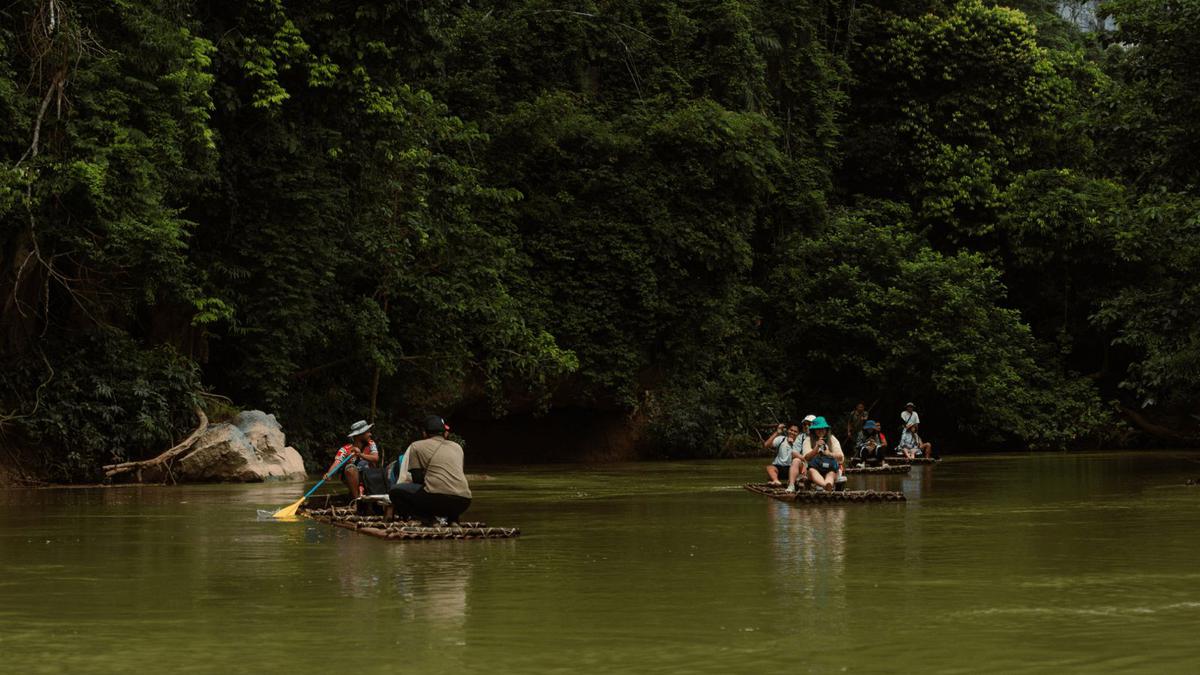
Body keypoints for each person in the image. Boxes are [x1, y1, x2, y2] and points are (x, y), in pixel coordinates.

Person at [388, 414, 472, 524]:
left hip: (436, 500)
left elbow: (417, 479)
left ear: (424, 432)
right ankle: (453, 520)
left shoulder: (416, 446)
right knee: (446, 491)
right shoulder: (457, 447)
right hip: (464, 502)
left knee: (395, 491)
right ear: (444, 432)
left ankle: (426, 518)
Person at [326, 419, 380, 497]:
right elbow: (337, 463)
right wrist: (329, 474)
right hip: (353, 478)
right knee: (350, 468)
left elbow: (375, 458)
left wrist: (360, 454)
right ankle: (356, 499)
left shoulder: (371, 444)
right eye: (367, 432)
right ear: (360, 435)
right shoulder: (345, 449)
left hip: (368, 477)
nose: (370, 434)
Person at [801, 416, 843, 491]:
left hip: (830, 468)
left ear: (826, 429)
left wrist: (829, 453)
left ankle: (827, 485)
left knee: (831, 473)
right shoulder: (808, 440)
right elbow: (806, 458)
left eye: (823, 428)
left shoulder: (832, 439)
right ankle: (825, 485)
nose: (821, 430)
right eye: (818, 429)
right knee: (811, 471)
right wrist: (816, 448)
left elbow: (841, 457)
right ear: (814, 430)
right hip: (814, 468)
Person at [764, 421, 802, 486]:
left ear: (798, 433)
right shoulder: (781, 439)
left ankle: (794, 480)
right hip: (779, 467)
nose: (792, 432)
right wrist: (777, 433)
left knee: (801, 464)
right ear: (788, 430)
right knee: (769, 468)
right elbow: (766, 445)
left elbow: (798, 457)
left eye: (795, 431)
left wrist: (791, 444)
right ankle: (776, 480)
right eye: (791, 430)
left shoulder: (799, 443)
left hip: (792, 467)